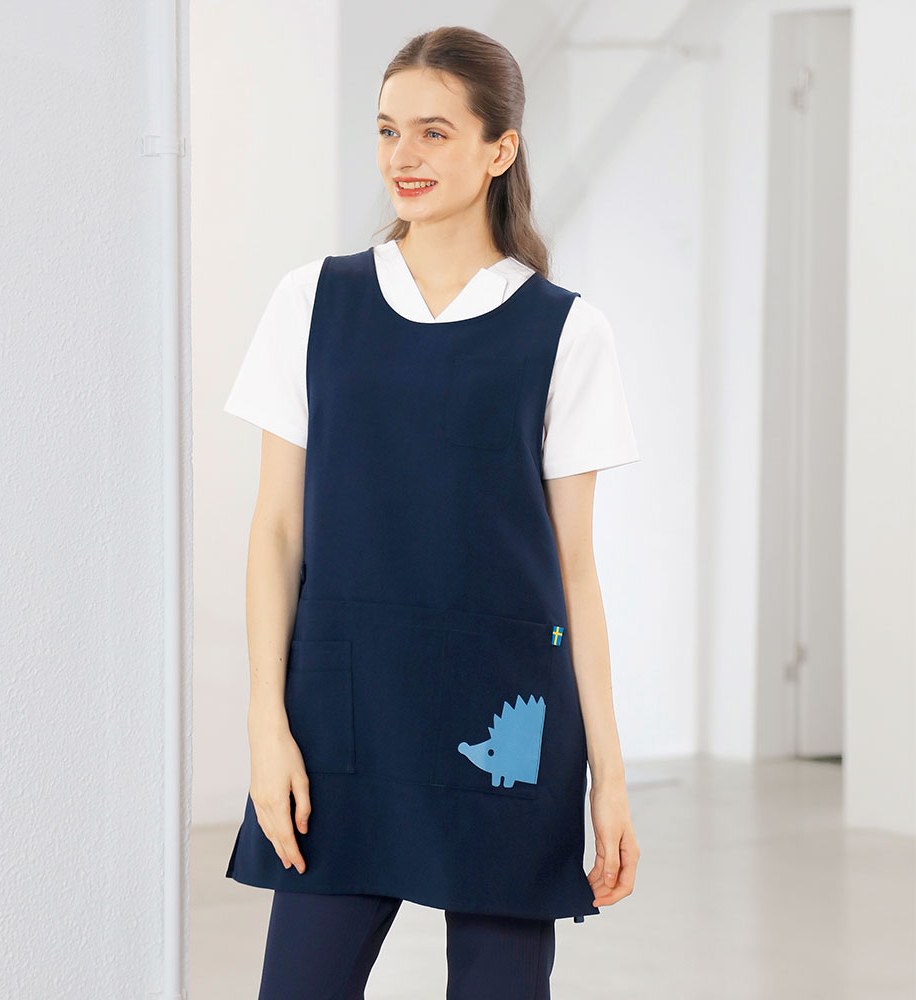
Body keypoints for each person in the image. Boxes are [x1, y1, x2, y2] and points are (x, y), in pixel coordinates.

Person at [223, 25, 642, 1000]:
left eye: (434, 132)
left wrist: (609, 778)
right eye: (387, 130)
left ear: (500, 149)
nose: (402, 156)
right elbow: (276, 531)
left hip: (507, 720)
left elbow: (574, 568)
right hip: (340, 715)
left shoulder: (566, 332)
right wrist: (264, 721)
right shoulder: (311, 302)